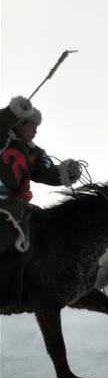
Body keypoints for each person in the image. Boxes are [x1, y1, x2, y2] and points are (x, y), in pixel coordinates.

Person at [0, 95, 83, 305]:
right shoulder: (2, 137)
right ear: (20, 124)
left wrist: (65, 172)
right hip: (4, 206)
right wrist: (13, 111)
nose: (36, 130)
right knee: (10, 235)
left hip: (19, 206)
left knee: (47, 227)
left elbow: (47, 172)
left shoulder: (34, 151)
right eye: (33, 125)